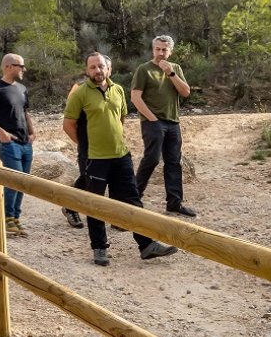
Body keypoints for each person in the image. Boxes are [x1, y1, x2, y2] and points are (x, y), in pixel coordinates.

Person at [63, 52, 178, 267]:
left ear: (109, 69)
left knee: (132, 201)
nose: (97, 70)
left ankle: (146, 245)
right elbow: (68, 124)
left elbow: (121, 118)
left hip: (121, 155)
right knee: (95, 205)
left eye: (101, 66)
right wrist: (86, 146)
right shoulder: (80, 94)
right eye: (92, 67)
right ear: (87, 71)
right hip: (94, 158)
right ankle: (99, 248)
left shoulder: (118, 91)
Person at [132, 35, 196, 217]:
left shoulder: (175, 68)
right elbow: (135, 98)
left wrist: (171, 73)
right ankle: (133, 199)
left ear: (170, 51)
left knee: (174, 162)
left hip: (173, 121)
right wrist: (152, 119)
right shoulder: (144, 70)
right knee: (151, 159)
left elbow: (185, 92)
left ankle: (174, 203)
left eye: (164, 50)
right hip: (152, 122)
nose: (161, 53)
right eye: (158, 49)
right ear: (153, 50)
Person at [0, 53, 37, 237]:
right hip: (8, 143)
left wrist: (32, 132)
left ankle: (15, 219)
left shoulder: (21, 88)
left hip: (25, 142)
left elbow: (25, 113)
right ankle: (6, 219)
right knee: (13, 180)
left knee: (23, 182)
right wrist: (2, 134)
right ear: (8, 67)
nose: (23, 69)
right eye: (20, 66)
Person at [62, 80, 88, 229]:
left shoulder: (113, 89)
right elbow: (69, 122)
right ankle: (70, 207)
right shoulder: (79, 88)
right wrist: (82, 143)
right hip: (88, 143)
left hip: (108, 146)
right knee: (86, 177)